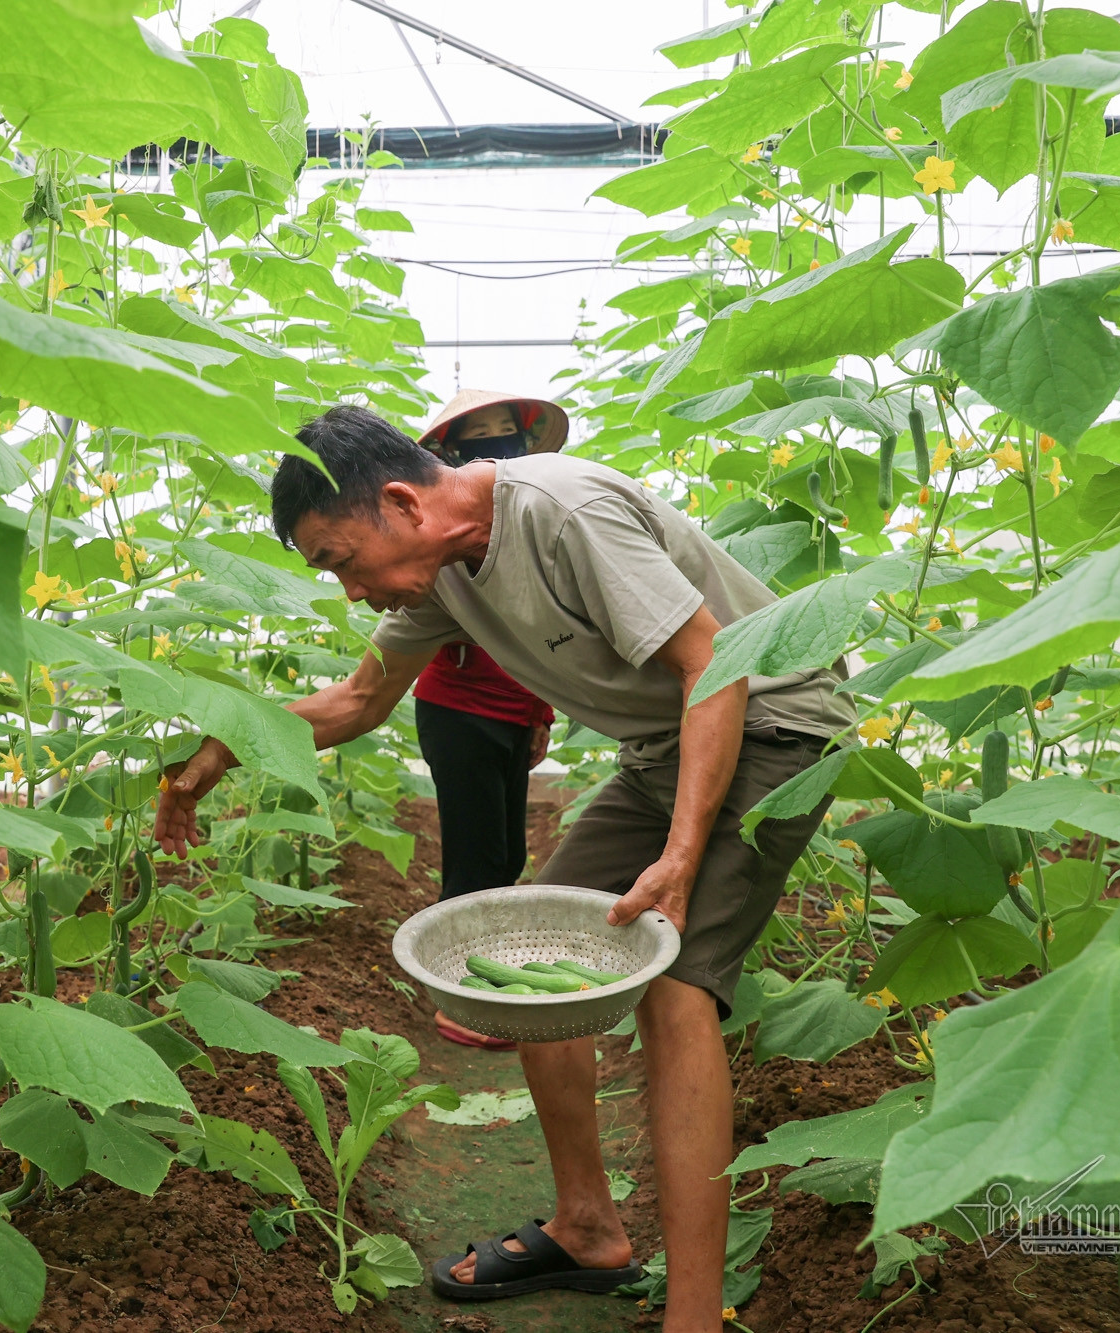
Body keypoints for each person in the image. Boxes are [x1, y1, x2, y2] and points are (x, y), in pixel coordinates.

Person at [153, 405, 854, 1330]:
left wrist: (681, 860)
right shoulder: (440, 574)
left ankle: (693, 1315)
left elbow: (712, 665)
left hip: (773, 721)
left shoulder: (563, 513)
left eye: (339, 559)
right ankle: (590, 1226)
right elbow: (361, 698)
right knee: (536, 962)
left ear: (401, 501)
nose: (350, 592)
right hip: (664, 747)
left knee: (676, 986)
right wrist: (223, 746)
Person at [410, 391, 567, 1053]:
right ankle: (461, 997)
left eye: (507, 436)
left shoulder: (531, 526)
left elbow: (543, 637)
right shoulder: (452, 537)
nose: (497, 448)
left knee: (506, 854)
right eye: (481, 437)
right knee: (475, 860)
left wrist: (541, 715)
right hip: (458, 709)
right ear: (451, 454)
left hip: (511, 711)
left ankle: (486, 981)